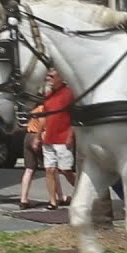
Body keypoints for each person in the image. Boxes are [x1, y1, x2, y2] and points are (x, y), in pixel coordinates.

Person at [40, 69, 77, 210]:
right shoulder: (48, 95)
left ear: (61, 77)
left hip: (63, 138)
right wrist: (38, 136)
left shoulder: (69, 93)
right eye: (48, 75)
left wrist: (70, 135)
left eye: (52, 75)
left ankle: (82, 192)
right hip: (48, 139)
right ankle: (52, 201)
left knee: (66, 170)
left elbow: (74, 116)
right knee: (49, 170)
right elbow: (44, 117)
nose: (48, 78)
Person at [17, 100, 46, 209]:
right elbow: (42, 123)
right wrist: (38, 138)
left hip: (28, 136)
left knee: (29, 169)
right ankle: (59, 197)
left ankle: (23, 199)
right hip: (37, 137)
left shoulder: (33, 110)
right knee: (51, 169)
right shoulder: (43, 109)